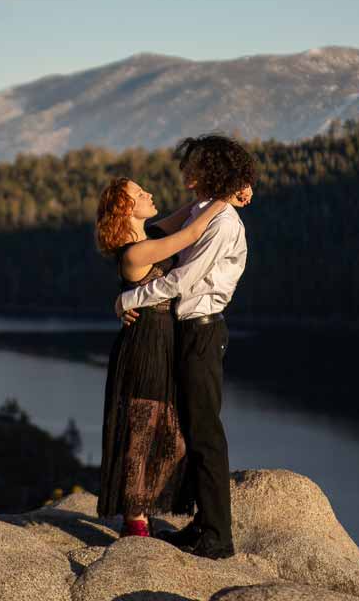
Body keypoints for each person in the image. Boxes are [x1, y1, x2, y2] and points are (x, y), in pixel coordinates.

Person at [116, 134, 257, 559]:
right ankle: (202, 525)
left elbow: (183, 280)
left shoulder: (224, 222)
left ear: (210, 170)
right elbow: (161, 234)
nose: (185, 170)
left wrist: (128, 299)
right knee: (193, 431)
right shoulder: (201, 210)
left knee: (206, 435)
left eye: (193, 163)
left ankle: (219, 538)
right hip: (188, 331)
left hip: (203, 331)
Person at [95, 176, 230, 538]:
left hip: (167, 341)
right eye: (140, 194)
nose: (149, 194)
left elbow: (186, 215)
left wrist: (220, 192)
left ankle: (146, 510)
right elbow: (189, 235)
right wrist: (225, 200)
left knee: (172, 431)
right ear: (125, 208)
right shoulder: (134, 252)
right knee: (143, 428)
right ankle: (135, 520)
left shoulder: (150, 234)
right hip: (145, 346)